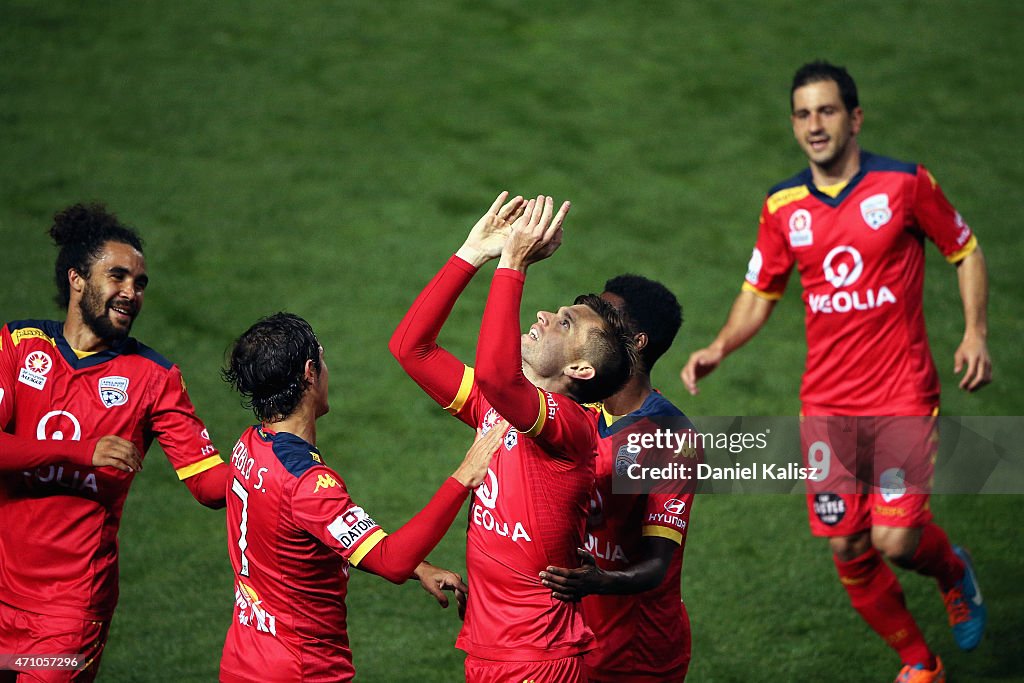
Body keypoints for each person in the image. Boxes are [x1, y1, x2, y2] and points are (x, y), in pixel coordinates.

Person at [681, 61, 991, 683]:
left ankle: (952, 571)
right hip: (826, 404)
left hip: (901, 391)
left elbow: (964, 249)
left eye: (826, 111)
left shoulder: (904, 184)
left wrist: (975, 331)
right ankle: (919, 664)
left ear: (854, 118)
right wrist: (720, 347)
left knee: (895, 543)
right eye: (802, 114)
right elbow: (760, 290)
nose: (814, 125)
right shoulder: (783, 204)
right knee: (847, 545)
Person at [389, 193, 637, 682]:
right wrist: (472, 252)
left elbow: (500, 378)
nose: (544, 315)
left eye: (564, 323)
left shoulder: (571, 428)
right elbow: (410, 349)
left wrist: (513, 265)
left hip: (540, 663)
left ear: (580, 368)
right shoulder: (494, 407)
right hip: (490, 655)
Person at [0, 204, 229, 682]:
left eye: (140, 283)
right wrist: (83, 451)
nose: (131, 292)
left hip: (68, 612)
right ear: (77, 279)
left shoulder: (154, 377)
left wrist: (264, 456)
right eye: (118, 276)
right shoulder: (19, 345)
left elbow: (208, 484)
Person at [218, 312, 498, 683]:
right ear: (309, 372)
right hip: (301, 669)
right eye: (323, 358)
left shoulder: (249, 445)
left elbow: (318, 532)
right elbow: (390, 561)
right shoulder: (307, 482)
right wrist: (464, 476)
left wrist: (420, 567)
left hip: (243, 661)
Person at [540, 274, 695, 682]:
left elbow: (656, 565)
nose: (592, 320)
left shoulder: (669, 436)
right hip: (570, 639)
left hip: (638, 655)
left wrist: (597, 581)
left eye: (607, 316)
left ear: (636, 342)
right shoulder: (578, 408)